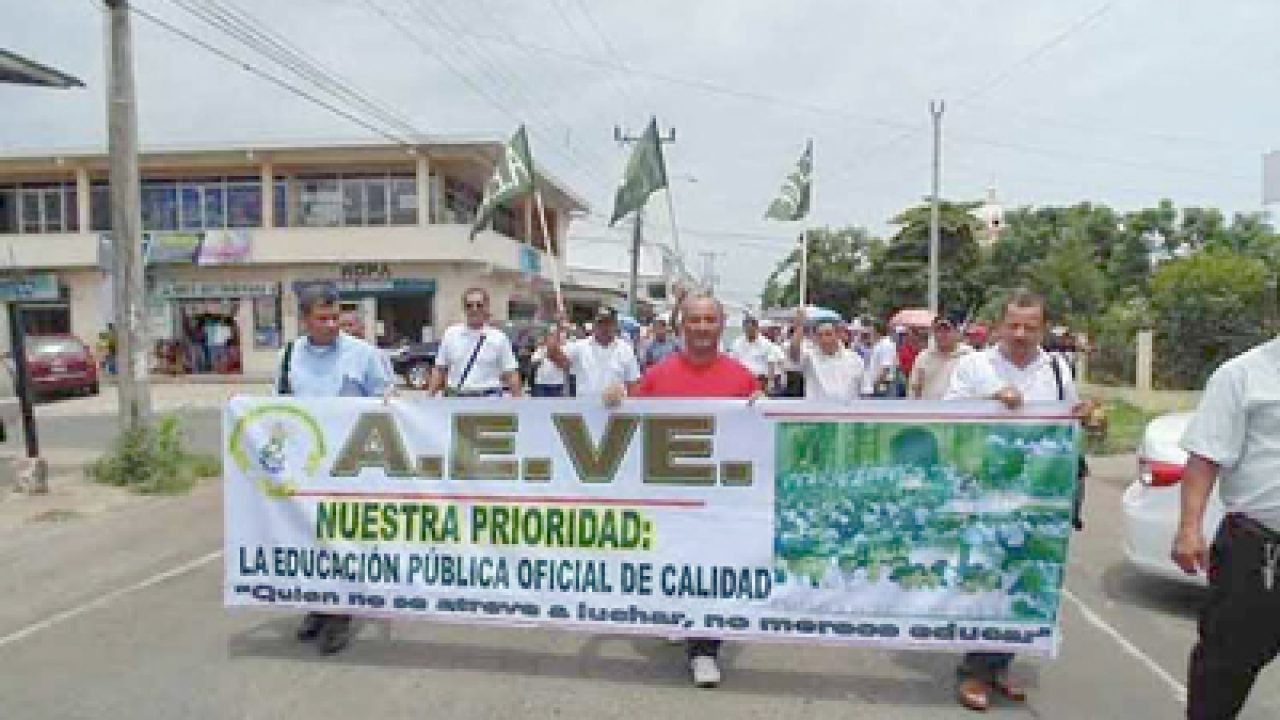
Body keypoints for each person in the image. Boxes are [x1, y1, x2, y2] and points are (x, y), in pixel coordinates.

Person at [943, 288, 1096, 712]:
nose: (1021, 334)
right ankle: (975, 670)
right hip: (986, 489)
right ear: (999, 326)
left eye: (1030, 327)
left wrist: (1084, 415)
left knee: (1024, 576)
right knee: (987, 574)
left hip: (1038, 493)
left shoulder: (1058, 369)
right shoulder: (975, 366)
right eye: (1014, 325)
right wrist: (992, 397)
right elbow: (947, 415)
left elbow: (1070, 420)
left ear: (1042, 328)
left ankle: (1001, 662)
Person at [623, 294, 758, 688]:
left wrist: (764, 409)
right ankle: (681, 615)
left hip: (720, 496)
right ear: (682, 325)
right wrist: (613, 402)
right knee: (676, 561)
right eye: (694, 320)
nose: (701, 327)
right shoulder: (657, 376)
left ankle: (705, 650)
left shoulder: (742, 378)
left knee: (712, 565)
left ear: (721, 325)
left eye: (709, 320)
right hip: (670, 494)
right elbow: (628, 426)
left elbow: (758, 436)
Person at [276, 281, 395, 655]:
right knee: (310, 536)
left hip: (349, 466)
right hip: (306, 465)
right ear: (304, 320)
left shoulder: (363, 355)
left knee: (342, 537)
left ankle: (340, 612)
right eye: (322, 318)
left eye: (335, 317)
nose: (331, 325)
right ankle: (318, 603)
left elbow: (387, 399)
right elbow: (279, 405)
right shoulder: (289, 356)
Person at [1172, 336, 1280, 719]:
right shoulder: (1242, 375)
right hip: (1257, 552)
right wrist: (1189, 528)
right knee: (1224, 669)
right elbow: (1205, 457)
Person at [428, 287, 522, 397]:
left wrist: (518, 401)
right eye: (469, 305)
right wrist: (429, 398)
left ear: (487, 307)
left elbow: (511, 373)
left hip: (489, 400)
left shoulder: (499, 338)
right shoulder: (450, 334)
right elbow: (440, 370)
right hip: (456, 399)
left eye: (479, 305)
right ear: (464, 309)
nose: (474, 309)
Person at [546, 307, 640, 399]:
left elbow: (633, 383)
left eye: (608, 323)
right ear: (594, 325)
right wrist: (558, 327)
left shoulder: (626, 349)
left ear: (615, 325)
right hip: (585, 407)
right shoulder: (580, 347)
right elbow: (553, 355)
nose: (604, 327)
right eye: (600, 323)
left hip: (615, 407)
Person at [788, 308, 864, 404]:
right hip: (818, 412)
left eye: (828, 334)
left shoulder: (855, 359)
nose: (824, 339)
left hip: (846, 412)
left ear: (837, 335)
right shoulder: (809, 357)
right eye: (820, 335)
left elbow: (864, 391)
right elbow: (794, 352)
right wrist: (799, 327)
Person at [910, 312, 973, 401]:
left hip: (961, 408)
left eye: (947, 330)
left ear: (957, 332)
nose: (942, 334)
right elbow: (915, 389)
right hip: (929, 408)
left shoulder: (969, 356)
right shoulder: (923, 357)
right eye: (938, 330)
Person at [731, 315, 784, 393]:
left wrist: (771, 382)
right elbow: (733, 362)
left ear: (756, 328)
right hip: (742, 381)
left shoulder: (766, 344)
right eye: (747, 330)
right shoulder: (737, 343)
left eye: (751, 330)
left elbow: (771, 363)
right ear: (743, 329)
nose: (749, 333)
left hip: (760, 381)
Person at [863, 319, 899, 397]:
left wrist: (875, 386)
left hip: (883, 386)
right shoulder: (880, 344)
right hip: (880, 385)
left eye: (871, 330)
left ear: (877, 331)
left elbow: (885, 368)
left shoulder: (886, 345)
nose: (869, 333)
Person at [529, 331, 568, 397]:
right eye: (549, 339)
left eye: (553, 338)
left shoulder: (563, 350)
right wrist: (541, 358)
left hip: (557, 384)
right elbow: (533, 364)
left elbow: (566, 366)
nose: (551, 341)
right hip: (541, 384)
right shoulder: (540, 350)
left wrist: (554, 357)